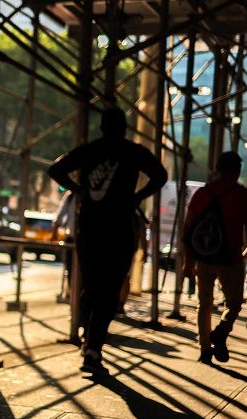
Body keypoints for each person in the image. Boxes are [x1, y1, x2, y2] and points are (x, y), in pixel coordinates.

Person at [48, 107, 167, 376]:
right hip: (120, 227)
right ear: (124, 128)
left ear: (101, 127)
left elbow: (55, 169)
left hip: (89, 227)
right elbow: (160, 176)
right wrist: (137, 196)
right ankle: (93, 348)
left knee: (90, 285)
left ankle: (87, 335)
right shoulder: (134, 152)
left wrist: (81, 191)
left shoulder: (89, 150)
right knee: (110, 288)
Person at [182, 151, 247, 364]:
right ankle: (221, 331)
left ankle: (205, 348)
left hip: (205, 256)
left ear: (217, 168)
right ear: (238, 170)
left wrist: (188, 262)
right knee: (234, 303)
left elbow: (188, 230)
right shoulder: (245, 196)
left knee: (204, 303)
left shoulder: (203, 193)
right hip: (231, 257)